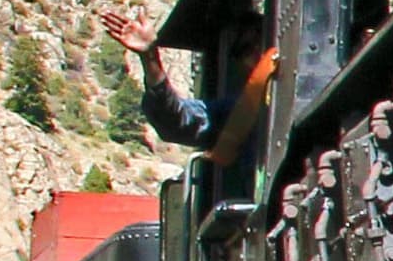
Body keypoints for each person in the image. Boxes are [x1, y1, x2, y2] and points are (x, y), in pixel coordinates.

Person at [97, 9, 277, 165]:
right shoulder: (238, 111)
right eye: (245, 49)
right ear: (240, 64)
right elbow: (177, 120)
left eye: (260, 38)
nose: (257, 50)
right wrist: (150, 58)